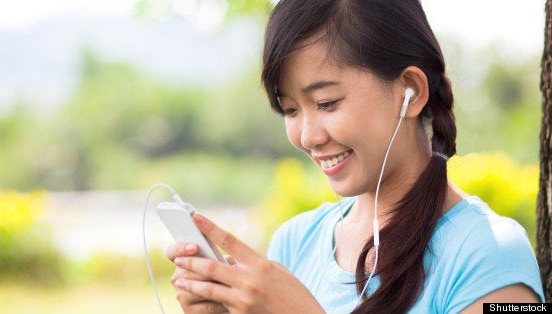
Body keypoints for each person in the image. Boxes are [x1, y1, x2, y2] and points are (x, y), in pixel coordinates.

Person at [166, 0, 545, 312]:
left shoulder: (490, 253)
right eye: (290, 110)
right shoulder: (295, 241)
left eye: (327, 103)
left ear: (410, 90)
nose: (308, 136)